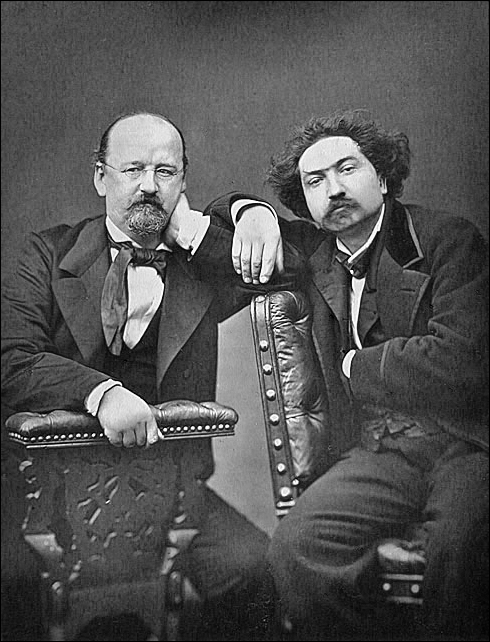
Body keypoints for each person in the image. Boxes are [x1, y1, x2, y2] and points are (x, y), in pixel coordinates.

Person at [0, 111, 302, 641]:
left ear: (183, 181)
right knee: (13, 587)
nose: (148, 185)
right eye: (133, 169)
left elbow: (295, 270)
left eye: (165, 171)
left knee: (257, 573)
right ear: (101, 177)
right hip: (41, 494)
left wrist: (246, 213)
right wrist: (100, 392)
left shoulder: (202, 265)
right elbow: (11, 358)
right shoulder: (46, 254)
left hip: (172, 494)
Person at [205, 109, 489, 641]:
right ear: (306, 202)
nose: (333, 189)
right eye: (315, 181)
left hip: (470, 445)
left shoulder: (449, 240)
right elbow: (214, 235)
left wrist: (355, 366)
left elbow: (461, 361)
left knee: (458, 553)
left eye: (347, 169)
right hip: (383, 451)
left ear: (382, 177)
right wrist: (251, 212)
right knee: (296, 549)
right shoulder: (314, 253)